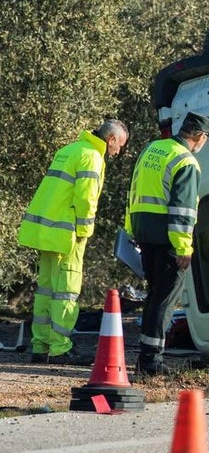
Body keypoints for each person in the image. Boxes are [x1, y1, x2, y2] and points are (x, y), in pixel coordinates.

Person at [19, 119, 130, 365]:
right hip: (68, 234)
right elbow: (86, 199)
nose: (118, 151)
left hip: (46, 232)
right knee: (66, 292)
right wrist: (85, 231)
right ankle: (60, 349)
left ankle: (40, 346)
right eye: (120, 145)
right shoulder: (92, 156)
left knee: (45, 290)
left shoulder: (69, 150)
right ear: (111, 139)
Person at [125, 112, 209, 376]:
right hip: (168, 239)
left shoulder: (154, 147)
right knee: (165, 299)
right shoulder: (187, 161)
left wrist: (131, 229)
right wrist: (184, 249)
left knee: (154, 296)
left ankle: (146, 357)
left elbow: (134, 189)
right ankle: (152, 361)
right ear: (199, 136)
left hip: (144, 232)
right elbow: (183, 211)